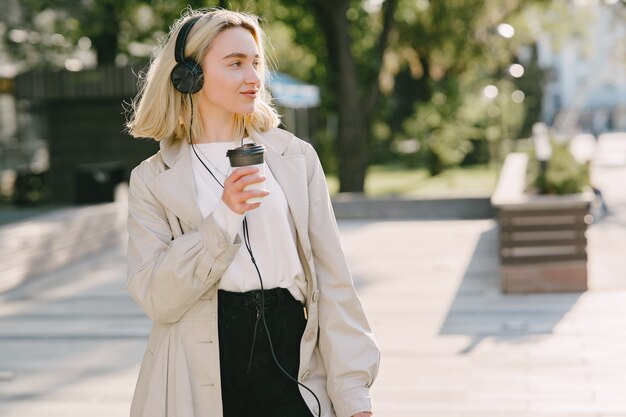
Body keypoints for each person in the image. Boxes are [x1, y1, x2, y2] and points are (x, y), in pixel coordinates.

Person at [125, 8, 380, 417]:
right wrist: (224, 217)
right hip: (201, 360)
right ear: (189, 75)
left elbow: (333, 283)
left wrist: (354, 396)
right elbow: (156, 297)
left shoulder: (295, 157)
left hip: (291, 348)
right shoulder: (153, 180)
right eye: (236, 64)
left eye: (256, 63)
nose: (254, 77)